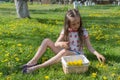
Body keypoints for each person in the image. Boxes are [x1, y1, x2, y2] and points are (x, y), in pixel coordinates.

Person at [22, 9, 105, 73]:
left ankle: (37, 67)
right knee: (46, 40)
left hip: (77, 54)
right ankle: (33, 61)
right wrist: (61, 43)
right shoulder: (66, 31)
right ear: (68, 24)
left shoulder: (83, 31)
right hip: (65, 51)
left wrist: (97, 54)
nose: (76, 26)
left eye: (78, 23)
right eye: (73, 24)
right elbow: (56, 43)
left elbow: (89, 47)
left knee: (64, 52)